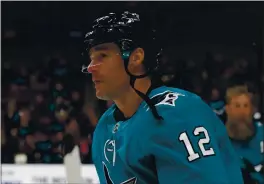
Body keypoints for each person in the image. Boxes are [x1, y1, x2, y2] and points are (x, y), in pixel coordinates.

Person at [84, 11, 244, 184]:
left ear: (136, 58)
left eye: (102, 56)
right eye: (91, 59)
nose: (91, 67)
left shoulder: (178, 113)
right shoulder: (104, 127)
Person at [225, 85, 263, 184]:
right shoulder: (216, 141)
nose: (242, 112)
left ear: (252, 110)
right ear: (228, 109)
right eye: (237, 106)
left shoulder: (262, 134)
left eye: (246, 106)